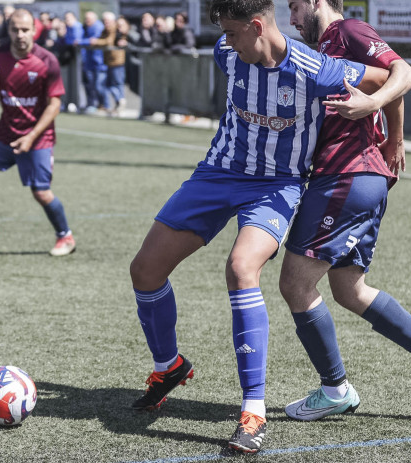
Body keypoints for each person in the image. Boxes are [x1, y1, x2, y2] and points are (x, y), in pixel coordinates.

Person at [128, 0, 390, 454]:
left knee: (241, 268)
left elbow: (383, 78)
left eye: (231, 32)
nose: (225, 42)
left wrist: (373, 109)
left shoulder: (317, 66)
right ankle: (168, 366)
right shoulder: (227, 54)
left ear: (256, 25)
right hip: (217, 175)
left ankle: (253, 411)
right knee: (144, 270)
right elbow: (229, 55)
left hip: (277, 186)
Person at [280, 0, 411, 422]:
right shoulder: (322, 49)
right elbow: (381, 81)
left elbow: (403, 74)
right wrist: (393, 135)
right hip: (356, 177)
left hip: (346, 175)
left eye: (296, 7)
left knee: (295, 284)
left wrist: (385, 124)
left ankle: (335, 388)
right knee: (349, 290)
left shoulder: (349, 31)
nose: (292, 18)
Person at [0, 9, 76, 257]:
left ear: (34, 30)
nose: (20, 34)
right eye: (15, 29)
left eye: (25, 30)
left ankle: (65, 236)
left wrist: (31, 137)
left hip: (38, 137)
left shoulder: (47, 61)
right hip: (4, 132)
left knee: (41, 193)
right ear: (8, 31)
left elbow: (55, 105)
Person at [87, 11, 125, 115]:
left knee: (116, 83)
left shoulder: (113, 28)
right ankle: (117, 103)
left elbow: (108, 41)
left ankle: (120, 101)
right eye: (104, 20)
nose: (106, 22)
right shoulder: (105, 29)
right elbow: (101, 41)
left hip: (116, 60)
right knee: (109, 84)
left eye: (107, 20)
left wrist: (96, 42)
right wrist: (96, 43)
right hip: (108, 61)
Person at [76, 11, 106, 113]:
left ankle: (103, 104)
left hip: (99, 61)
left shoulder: (98, 26)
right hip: (88, 61)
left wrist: (81, 42)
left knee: (98, 85)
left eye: (88, 18)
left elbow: (92, 40)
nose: (87, 20)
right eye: (86, 18)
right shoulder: (86, 27)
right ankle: (91, 104)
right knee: (89, 85)